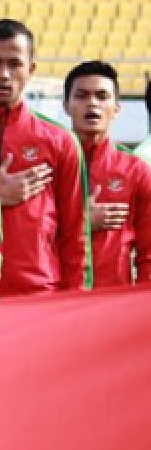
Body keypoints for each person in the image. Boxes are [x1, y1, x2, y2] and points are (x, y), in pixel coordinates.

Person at [0, 19, 91, 294]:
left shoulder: (60, 141)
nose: (4, 74)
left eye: (14, 64)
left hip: (39, 292)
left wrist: (76, 300)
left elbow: (75, 234)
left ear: (31, 69)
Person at [63, 61, 151, 286]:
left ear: (117, 108)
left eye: (102, 96)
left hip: (112, 303)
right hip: (55, 299)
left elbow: (148, 254)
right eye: (82, 96)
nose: (92, 103)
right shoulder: (50, 166)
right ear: (66, 105)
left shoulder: (136, 171)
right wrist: (80, 222)